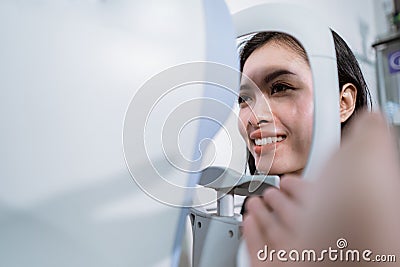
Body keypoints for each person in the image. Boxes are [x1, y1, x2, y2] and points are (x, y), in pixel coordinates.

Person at [235, 30, 381, 266]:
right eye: (244, 98)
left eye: (280, 87)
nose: (254, 116)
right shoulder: (258, 216)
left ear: (342, 103)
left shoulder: (379, 223)